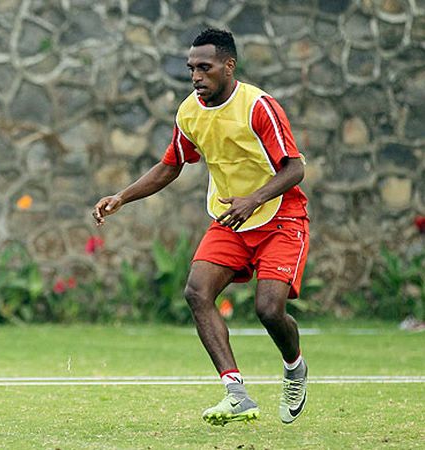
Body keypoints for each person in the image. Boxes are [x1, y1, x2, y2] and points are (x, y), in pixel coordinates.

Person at [93, 28, 309, 426]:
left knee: (268, 310)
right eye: (191, 68)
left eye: (204, 68)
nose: (196, 76)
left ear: (229, 66)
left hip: (280, 217)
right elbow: (171, 165)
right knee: (197, 291)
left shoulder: (259, 106)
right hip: (229, 220)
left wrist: (253, 199)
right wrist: (122, 196)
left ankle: (294, 366)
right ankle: (236, 392)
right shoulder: (190, 111)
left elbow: (295, 168)